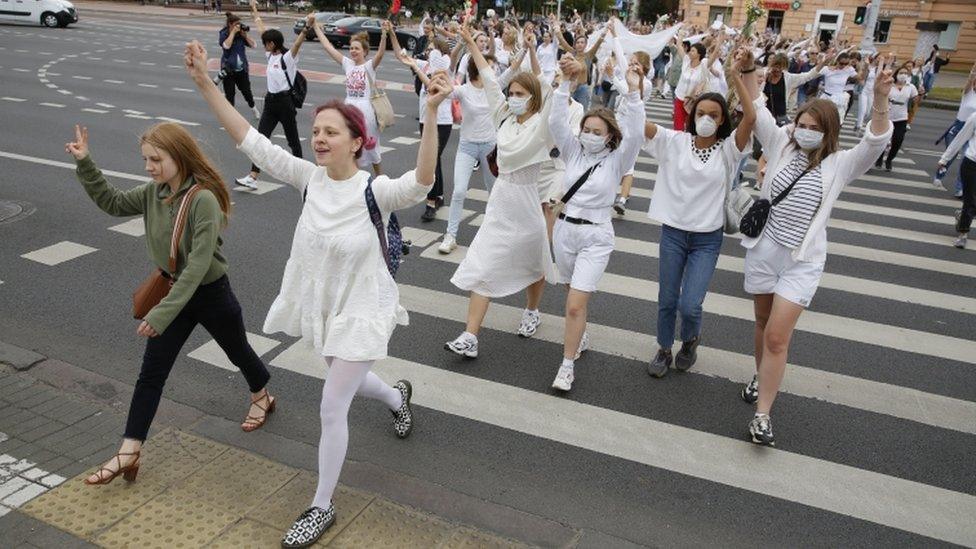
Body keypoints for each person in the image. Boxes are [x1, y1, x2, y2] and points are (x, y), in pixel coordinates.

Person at [185, 39, 447, 547]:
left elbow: (423, 179)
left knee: (332, 404)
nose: (319, 138)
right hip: (326, 305)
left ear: (357, 141)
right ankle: (397, 397)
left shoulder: (376, 192)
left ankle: (321, 505)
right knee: (347, 379)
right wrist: (204, 84)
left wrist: (431, 113)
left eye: (331, 132)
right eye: (316, 131)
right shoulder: (308, 180)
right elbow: (251, 141)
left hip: (363, 307)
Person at [65, 122, 275, 485]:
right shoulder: (153, 193)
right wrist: (86, 162)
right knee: (151, 372)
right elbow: (113, 202)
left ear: (178, 156)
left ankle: (262, 395)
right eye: (146, 159)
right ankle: (129, 450)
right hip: (173, 292)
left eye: (156, 159)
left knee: (237, 351)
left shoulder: (203, 199)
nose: (149, 166)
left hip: (210, 294)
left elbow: (197, 264)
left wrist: (161, 314)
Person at [737, 56, 894, 446]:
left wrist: (879, 98)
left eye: (813, 129)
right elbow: (757, 109)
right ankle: (760, 374)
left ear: (828, 133)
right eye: (801, 125)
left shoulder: (841, 164)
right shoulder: (781, 144)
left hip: (801, 261)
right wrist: (743, 72)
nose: (804, 132)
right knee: (761, 322)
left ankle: (762, 416)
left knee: (777, 336)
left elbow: (875, 141)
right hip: (764, 250)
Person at [643, 47, 757, 378]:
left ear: (722, 121)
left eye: (714, 115)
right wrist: (634, 89)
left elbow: (750, 118)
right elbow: (641, 125)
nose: (706, 119)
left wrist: (736, 76)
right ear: (693, 115)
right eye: (701, 113)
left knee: (690, 304)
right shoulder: (675, 142)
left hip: (707, 238)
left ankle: (690, 339)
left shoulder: (729, 151)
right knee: (667, 298)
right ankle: (664, 348)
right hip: (674, 234)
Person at [444, 20, 554, 358]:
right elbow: (490, 79)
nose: (514, 98)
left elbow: (551, 92)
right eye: (513, 93)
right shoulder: (503, 117)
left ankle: (532, 311)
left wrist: (537, 52)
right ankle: (470, 336)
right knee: (484, 265)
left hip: (528, 202)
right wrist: (470, 43)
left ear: (534, 99)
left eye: (522, 95)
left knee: (537, 264)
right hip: (501, 203)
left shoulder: (542, 125)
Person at [548, 55, 646, 391]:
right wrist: (564, 81)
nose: (590, 135)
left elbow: (635, 132)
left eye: (597, 132)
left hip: (596, 236)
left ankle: (566, 365)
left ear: (609, 136)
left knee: (575, 304)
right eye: (586, 130)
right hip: (564, 230)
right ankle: (580, 335)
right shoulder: (573, 151)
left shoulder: (619, 157)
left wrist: (633, 93)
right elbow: (556, 121)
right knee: (570, 293)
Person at [427, 52, 499, 254]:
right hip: (467, 146)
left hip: (490, 147)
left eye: (491, 66)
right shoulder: (464, 91)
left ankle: (495, 236)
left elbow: (512, 72)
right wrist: (434, 77)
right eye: (488, 66)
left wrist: (526, 51)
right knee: (459, 191)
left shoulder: (495, 88)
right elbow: (444, 91)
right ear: (477, 69)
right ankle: (450, 236)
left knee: (494, 193)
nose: (492, 70)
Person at [235, 4, 309, 189]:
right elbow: (261, 27)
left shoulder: (287, 58)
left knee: (293, 141)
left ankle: (303, 175)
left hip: (285, 103)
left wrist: (307, 26)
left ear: (273, 43)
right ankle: (253, 177)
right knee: (260, 139)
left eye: (267, 42)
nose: (264, 44)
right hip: (270, 103)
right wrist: (254, 9)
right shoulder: (270, 55)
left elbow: (298, 44)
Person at [311, 20, 390, 176]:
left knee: (371, 146)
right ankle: (353, 176)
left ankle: (380, 177)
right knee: (349, 143)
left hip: (366, 110)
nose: (353, 51)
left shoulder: (368, 66)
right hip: (348, 108)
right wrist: (315, 27)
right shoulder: (347, 64)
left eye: (357, 49)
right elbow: (328, 47)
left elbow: (380, 53)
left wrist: (384, 34)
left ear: (365, 52)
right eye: (352, 48)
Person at [391, 31, 454, 221]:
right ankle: (440, 195)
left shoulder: (445, 68)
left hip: (442, 121)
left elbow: (432, 87)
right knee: (436, 159)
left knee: (432, 159)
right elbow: (399, 55)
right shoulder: (423, 64)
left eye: (431, 48)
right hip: (425, 119)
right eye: (428, 48)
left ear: (440, 51)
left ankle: (431, 203)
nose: (428, 51)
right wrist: (392, 34)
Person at [934, 64, 976, 196]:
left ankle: (960, 188)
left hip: (972, 131)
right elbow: (970, 80)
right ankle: (939, 176)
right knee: (951, 153)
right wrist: (973, 70)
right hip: (958, 127)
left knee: (965, 159)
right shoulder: (967, 93)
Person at [938, 110, 976, 249]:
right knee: (970, 200)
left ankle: (962, 216)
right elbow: (961, 138)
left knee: (973, 204)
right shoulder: (974, 117)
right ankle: (963, 234)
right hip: (972, 163)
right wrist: (945, 158)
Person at [552, 16, 607, 110]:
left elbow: (597, 44)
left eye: (582, 42)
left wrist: (605, 32)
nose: (580, 44)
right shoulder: (572, 52)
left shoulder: (588, 55)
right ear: (575, 44)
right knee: (569, 111)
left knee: (582, 112)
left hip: (583, 88)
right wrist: (557, 29)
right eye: (578, 42)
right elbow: (562, 41)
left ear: (585, 45)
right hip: (571, 87)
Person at [874, 64, 918, 172]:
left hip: (901, 118)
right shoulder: (890, 85)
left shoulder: (910, 87)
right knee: (883, 140)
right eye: (901, 73)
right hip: (887, 116)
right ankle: (879, 158)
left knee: (898, 140)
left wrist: (919, 96)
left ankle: (889, 159)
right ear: (896, 74)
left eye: (906, 74)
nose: (903, 75)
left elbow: (915, 101)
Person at [218, 11, 260, 121]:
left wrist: (245, 36)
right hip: (228, 70)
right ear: (230, 24)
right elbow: (226, 46)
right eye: (236, 24)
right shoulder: (224, 34)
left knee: (247, 91)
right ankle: (230, 116)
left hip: (242, 69)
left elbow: (254, 45)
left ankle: (254, 108)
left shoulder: (241, 35)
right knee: (230, 94)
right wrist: (232, 33)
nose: (239, 26)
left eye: (239, 23)